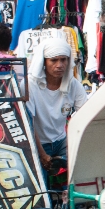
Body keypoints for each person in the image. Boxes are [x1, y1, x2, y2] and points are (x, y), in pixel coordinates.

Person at [25, 38, 87, 168]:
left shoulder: (73, 84)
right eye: (54, 60)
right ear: (44, 62)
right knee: (43, 185)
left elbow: (85, 114)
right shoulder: (30, 84)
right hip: (38, 143)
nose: (59, 65)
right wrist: (42, 154)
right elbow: (28, 122)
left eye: (63, 60)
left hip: (61, 140)